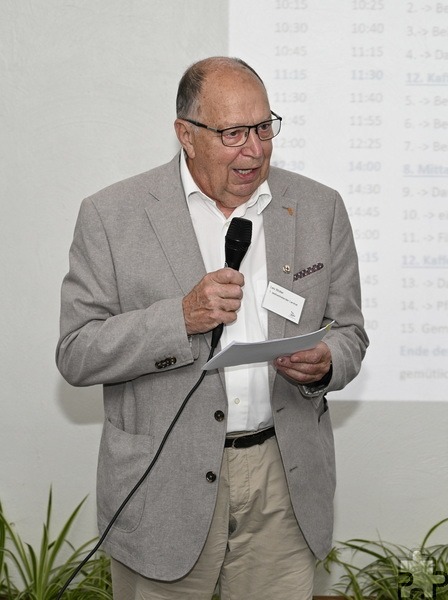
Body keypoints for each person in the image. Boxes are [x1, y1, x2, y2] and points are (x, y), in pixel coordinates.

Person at [56, 56, 368, 600]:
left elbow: (349, 332)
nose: (254, 149)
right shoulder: (112, 215)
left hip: (282, 479)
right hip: (163, 487)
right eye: (232, 133)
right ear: (186, 135)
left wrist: (327, 362)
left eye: (263, 127)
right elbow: (77, 353)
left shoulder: (319, 208)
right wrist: (177, 319)